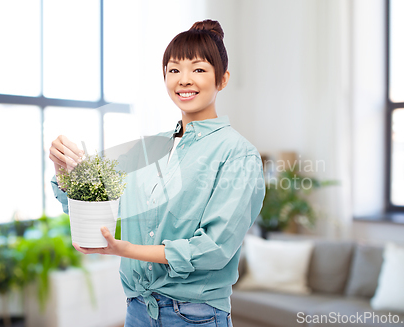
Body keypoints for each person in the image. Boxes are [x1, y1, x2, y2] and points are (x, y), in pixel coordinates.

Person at [49, 19, 265, 327]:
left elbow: (214, 249)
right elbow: (112, 213)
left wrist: (124, 249)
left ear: (223, 78)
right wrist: (65, 174)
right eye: (174, 70)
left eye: (199, 69)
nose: (184, 80)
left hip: (194, 315)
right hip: (138, 309)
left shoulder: (238, 153)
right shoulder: (149, 150)